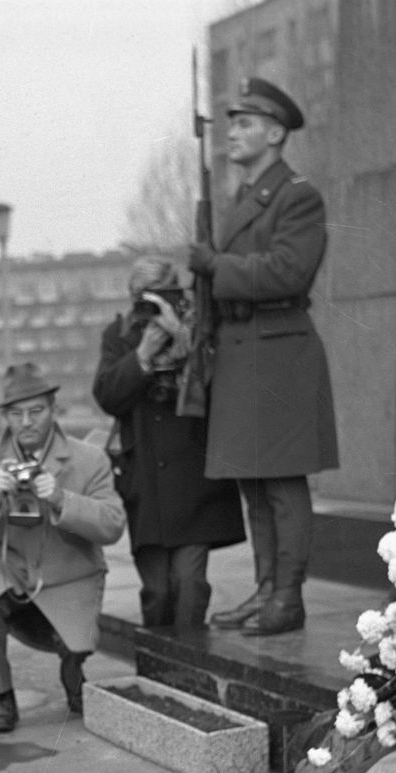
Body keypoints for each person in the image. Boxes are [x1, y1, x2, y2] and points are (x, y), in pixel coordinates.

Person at [188, 77, 338, 636]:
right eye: (232, 123)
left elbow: (288, 271)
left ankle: (288, 596)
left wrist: (213, 266)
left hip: (277, 347)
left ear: (276, 133)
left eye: (246, 123)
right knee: (254, 484)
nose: (233, 132)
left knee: (280, 483)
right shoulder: (243, 199)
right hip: (242, 350)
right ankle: (265, 590)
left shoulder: (297, 195)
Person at [0, 364, 125, 731]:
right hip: (9, 575)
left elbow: (113, 524)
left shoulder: (89, 459)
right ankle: (2, 698)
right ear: (4, 416)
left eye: (37, 411)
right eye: (16, 413)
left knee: (76, 646)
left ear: (54, 411)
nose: (27, 422)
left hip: (69, 575)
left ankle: (73, 669)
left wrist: (61, 499)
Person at [93, 258, 246, 631]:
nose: (152, 309)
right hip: (145, 482)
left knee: (190, 583)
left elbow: (222, 391)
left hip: (194, 481)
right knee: (158, 590)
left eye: (164, 297)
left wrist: (185, 341)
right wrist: (142, 355)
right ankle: (158, 666)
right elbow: (108, 396)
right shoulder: (119, 335)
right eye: (143, 299)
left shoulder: (200, 329)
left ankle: (191, 660)